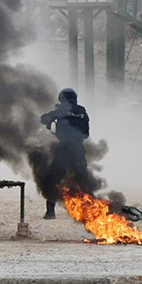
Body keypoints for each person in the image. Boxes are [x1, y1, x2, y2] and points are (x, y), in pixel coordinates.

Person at [39, 88, 90, 219]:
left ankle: (50, 212)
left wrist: (50, 122)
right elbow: (86, 134)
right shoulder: (82, 112)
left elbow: (44, 118)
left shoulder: (61, 110)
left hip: (63, 149)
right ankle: (91, 211)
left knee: (53, 179)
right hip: (78, 150)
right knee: (84, 181)